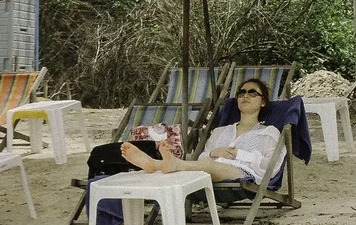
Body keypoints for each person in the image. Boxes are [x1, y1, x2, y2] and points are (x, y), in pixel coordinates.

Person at [118, 78, 281, 183]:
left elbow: (272, 165)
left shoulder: (269, 132)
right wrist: (213, 153)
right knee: (204, 163)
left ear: (263, 102)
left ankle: (160, 163)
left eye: (252, 93)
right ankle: (156, 163)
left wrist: (240, 155)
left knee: (208, 165)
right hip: (207, 167)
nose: (245, 96)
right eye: (241, 93)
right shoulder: (220, 131)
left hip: (243, 173)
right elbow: (202, 157)